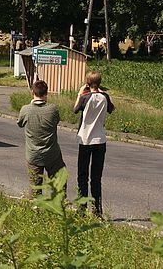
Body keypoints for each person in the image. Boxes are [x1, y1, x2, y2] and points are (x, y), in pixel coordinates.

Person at [73, 71, 115, 216]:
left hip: (85, 140)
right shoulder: (105, 97)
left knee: (82, 175)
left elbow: (75, 109)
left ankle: (82, 209)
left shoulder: (85, 97)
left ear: (87, 83)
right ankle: (97, 211)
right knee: (96, 178)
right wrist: (102, 92)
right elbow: (111, 109)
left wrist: (79, 93)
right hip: (100, 140)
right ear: (100, 82)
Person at [16, 80, 66, 197]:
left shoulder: (26, 109)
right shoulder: (52, 109)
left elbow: (20, 123)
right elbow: (56, 121)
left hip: (33, 154)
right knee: (58, 184)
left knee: (35, 188)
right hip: (52, 154)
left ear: (32, 92)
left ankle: (35, 209)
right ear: (46, 93)